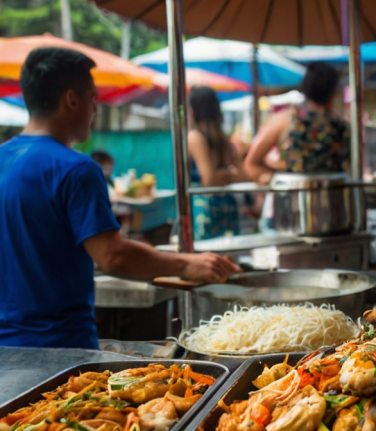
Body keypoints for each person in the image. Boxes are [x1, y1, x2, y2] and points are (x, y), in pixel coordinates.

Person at [0, 47, 240, 349]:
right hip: (60, 349)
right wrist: (186, 264)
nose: (94, 109)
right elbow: (112, 255)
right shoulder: (77, 168)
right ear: (71, 100)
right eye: (92, 98)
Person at [244, 62, 350, 185]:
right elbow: (251, 164)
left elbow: (251, 164)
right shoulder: (340, 125)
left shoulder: (284, 120)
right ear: (334, 92)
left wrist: (277, 179)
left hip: (294, 196)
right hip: (333, 196)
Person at [187, 85, 246, 240]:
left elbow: (208, 180)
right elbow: (241, 175)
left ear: (193, 110)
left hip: (204, 208)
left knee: (206, 259)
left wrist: (220, 175)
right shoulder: (224, 139)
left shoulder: (195, 137)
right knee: (228, 259)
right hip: (228, 204)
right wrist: (229, 174)